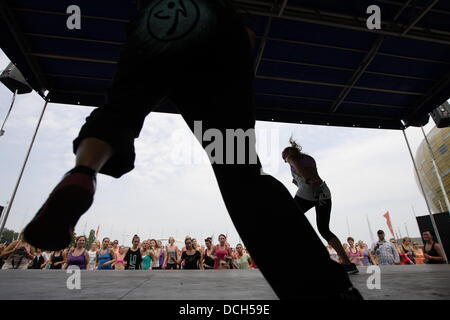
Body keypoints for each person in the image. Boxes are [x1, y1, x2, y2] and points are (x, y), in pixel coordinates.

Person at [23, 0, 359, 299]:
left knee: (120, 110)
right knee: (240, 172)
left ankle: (83, 173)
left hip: (159, 16)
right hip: (218, 24)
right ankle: (324, 292)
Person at [282, 139, 358, 274]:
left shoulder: (291, 158)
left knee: (286, 220)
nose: (286, 161)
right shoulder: (308, 158)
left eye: (285, 159)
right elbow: (308, 172)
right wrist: (304, 181)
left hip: (309, 192)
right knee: (324, 229)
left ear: (288, 155)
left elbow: (304, 172)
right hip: (324, 193)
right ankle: (348, 264)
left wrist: (308, 180)